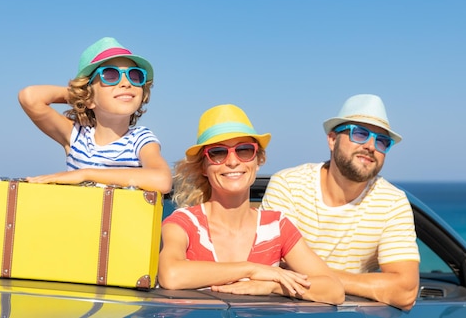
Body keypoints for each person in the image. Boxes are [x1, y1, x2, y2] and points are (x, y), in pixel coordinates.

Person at [158, 104, 344, 305]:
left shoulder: (276, 227)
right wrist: (252, 269)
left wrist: (273, 286)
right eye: (218, 152)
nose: (232, 161)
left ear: (258, 160)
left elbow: (333, 290)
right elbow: (171, 274)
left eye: (244, 150)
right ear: (204, 166)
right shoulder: (183, 223)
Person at [261, 94, 420, 310]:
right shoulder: (289, 185)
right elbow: (268, 266)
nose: (371, 146)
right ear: (332, 139)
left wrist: (325, 282)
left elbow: (405, 291)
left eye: (382, 141)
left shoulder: (392, 202)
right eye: (360, 134)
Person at [18, 37, 172, 193]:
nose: (126, 83)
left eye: (134, 75)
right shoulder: (77, 137)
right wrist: (83, 96)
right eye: (110, 75)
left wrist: (86, 174)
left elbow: (162, 180)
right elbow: (29, 97)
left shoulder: (140, 140)